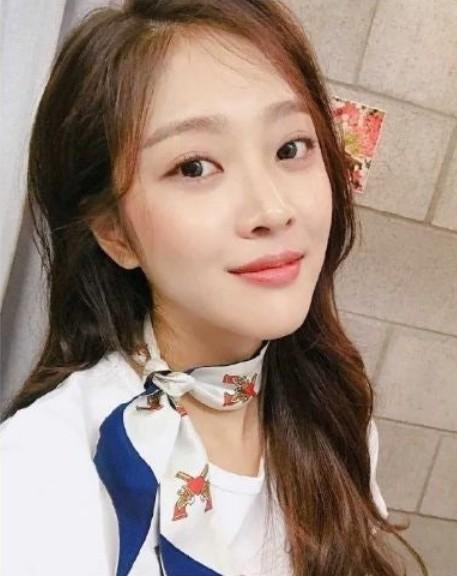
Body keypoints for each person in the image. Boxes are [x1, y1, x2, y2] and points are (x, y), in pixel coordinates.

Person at [0, 1, 423, 575]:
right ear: (114, 231)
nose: (272, 209)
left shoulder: (336, 414)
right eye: (195, 167)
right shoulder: (37, 480)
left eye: (290, 148)